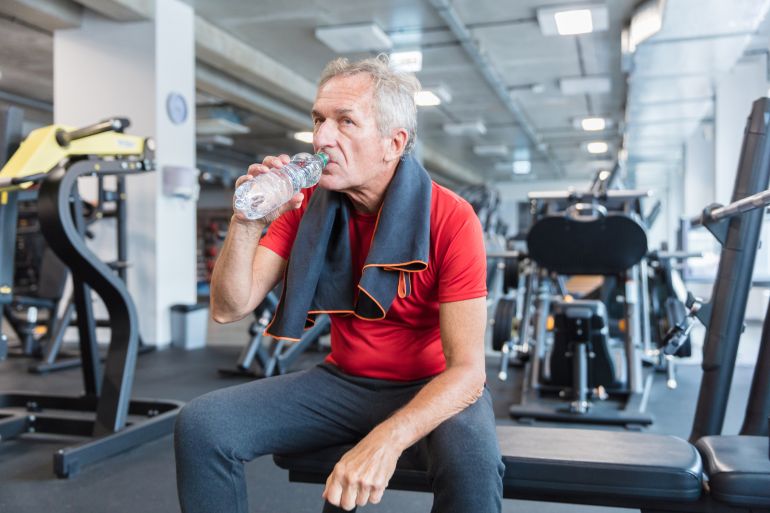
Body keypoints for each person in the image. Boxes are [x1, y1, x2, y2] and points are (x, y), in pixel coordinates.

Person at [174, 55, 504, 513]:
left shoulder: (450, 218)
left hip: (431, 383)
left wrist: (384, 440)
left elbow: (469, 371)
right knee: (202, 425)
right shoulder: (304, 205)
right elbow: (229, 308)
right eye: (319, 119)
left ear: (394, 143)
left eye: (345, 122)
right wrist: (246, 222)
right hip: (344, 383)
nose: (322, 137)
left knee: (473, 464)